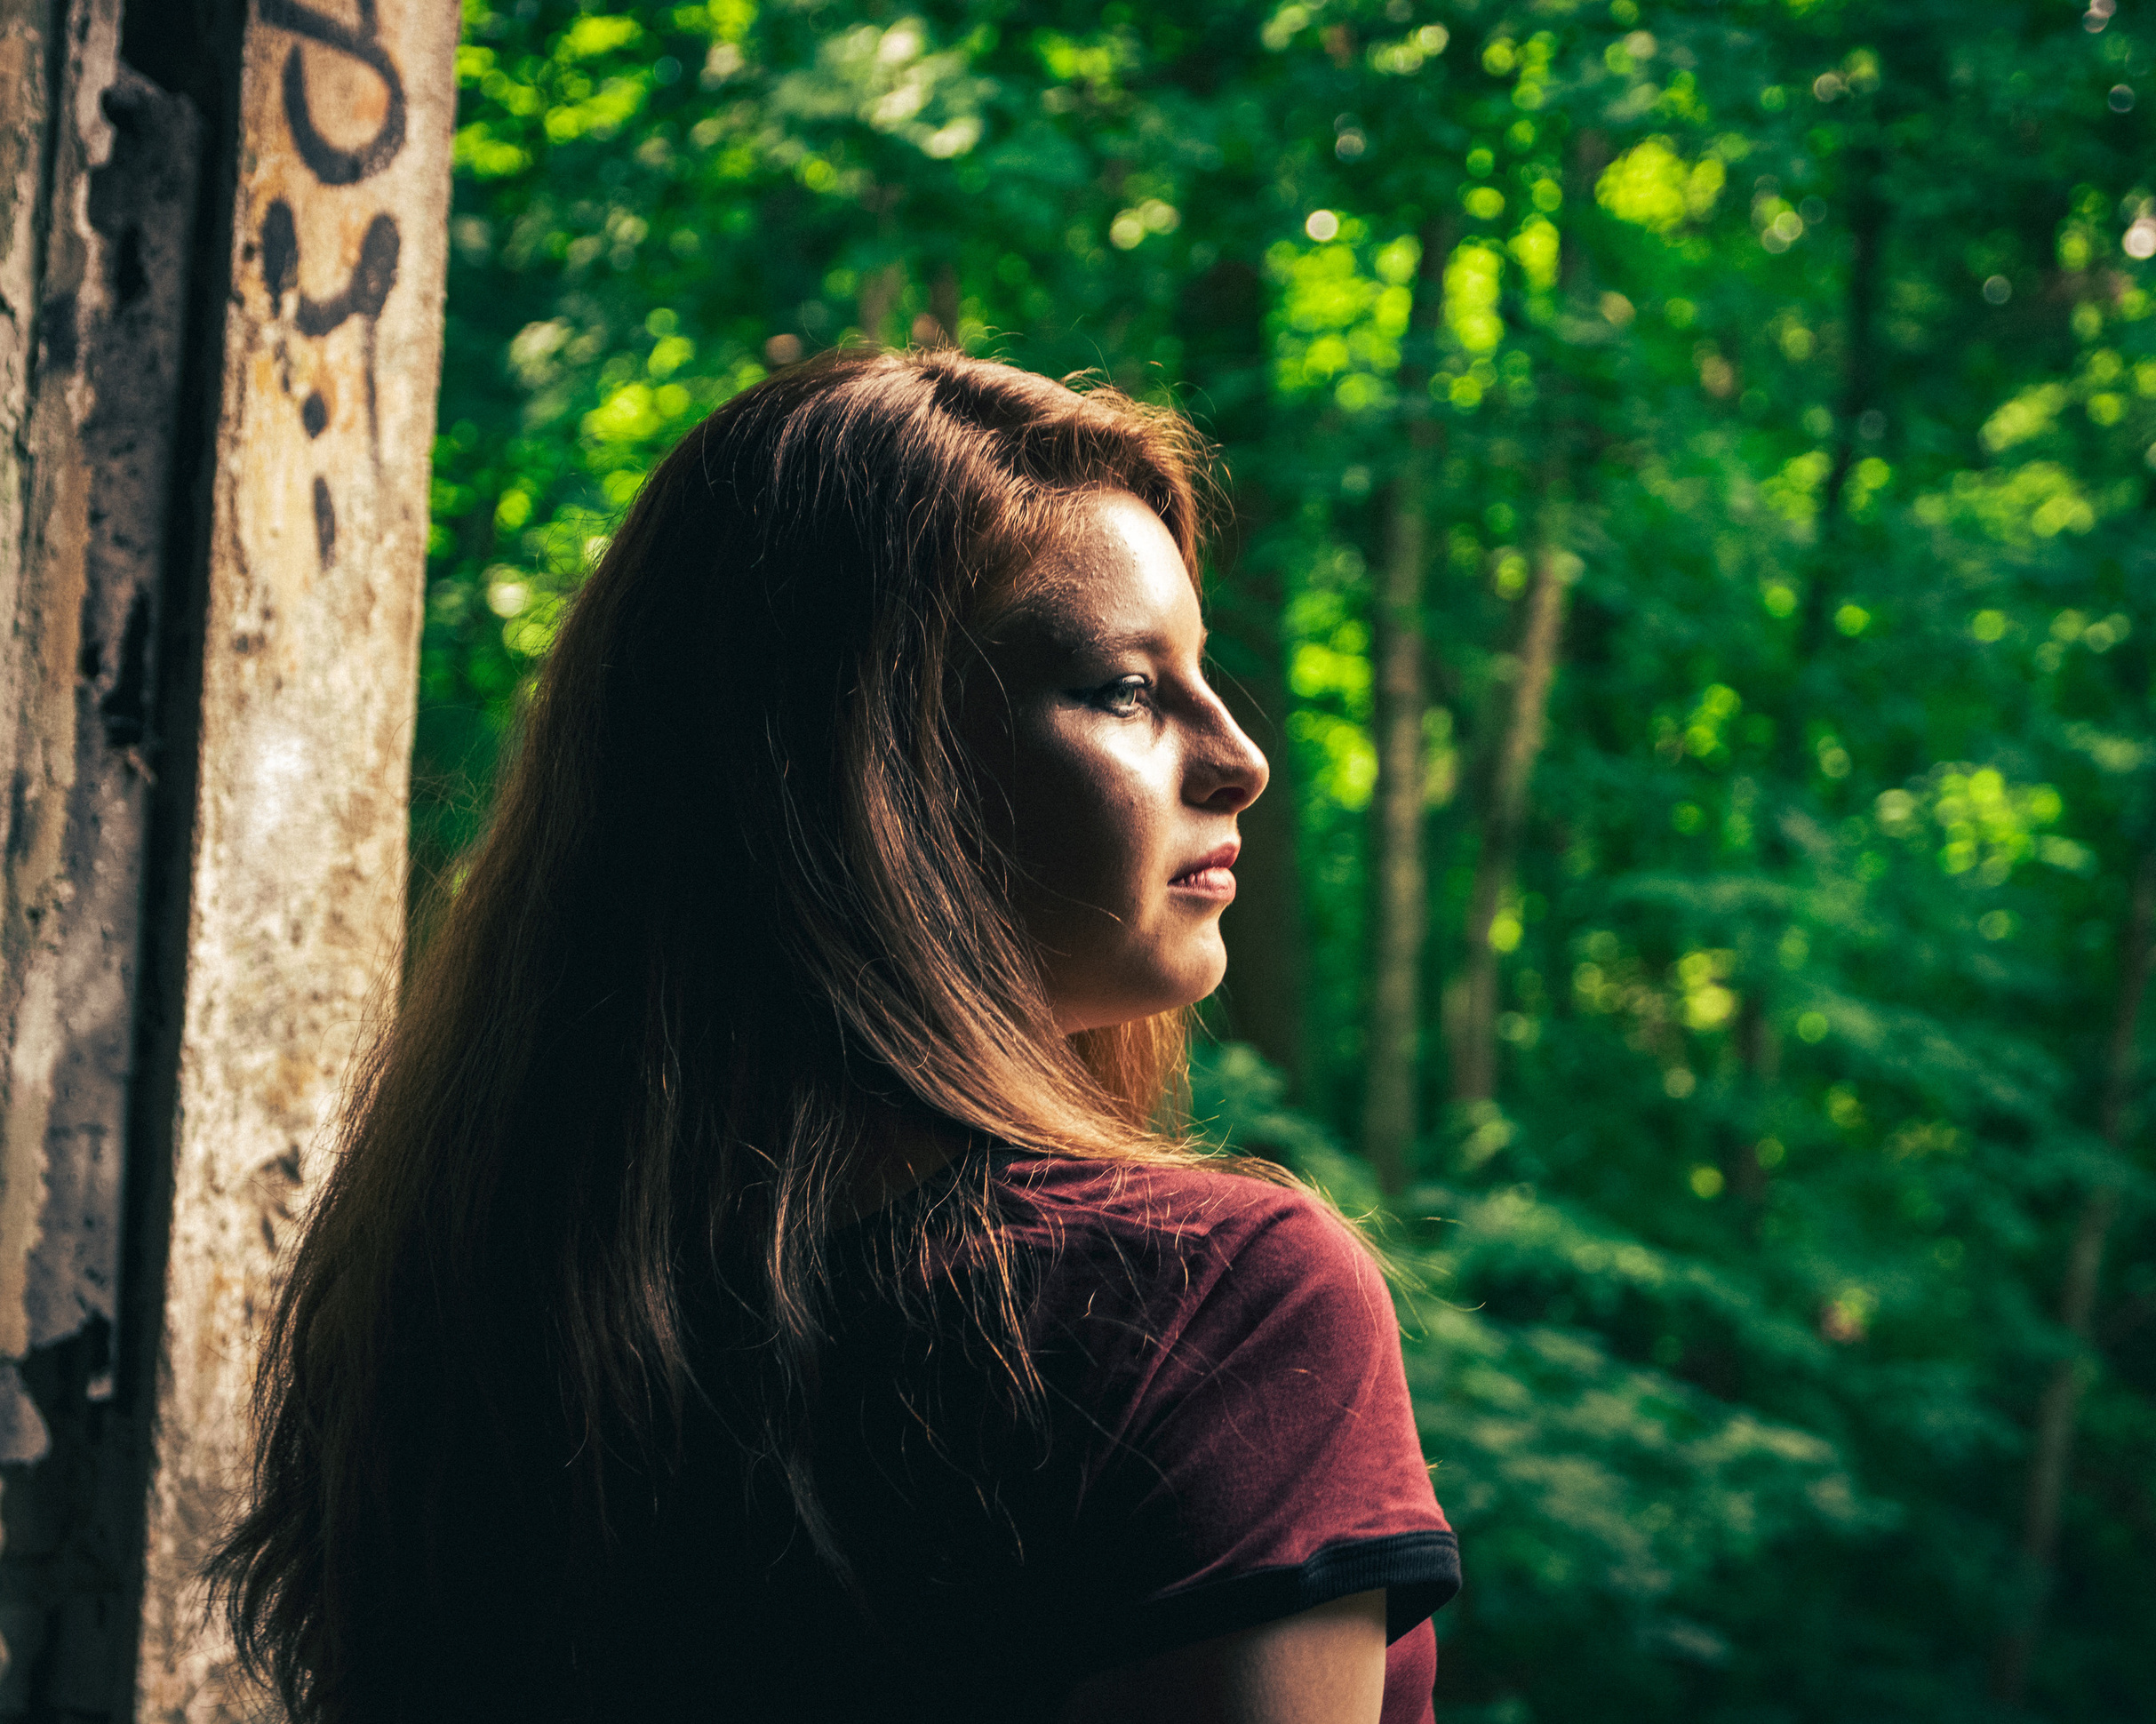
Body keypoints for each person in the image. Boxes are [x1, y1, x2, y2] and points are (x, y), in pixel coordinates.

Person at [212, 349, 1459, 1722]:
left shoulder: (451, 1340)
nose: (1238, 756)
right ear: (867, 772)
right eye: (1124, 688)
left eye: (1201, 674)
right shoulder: (1216, 1313)